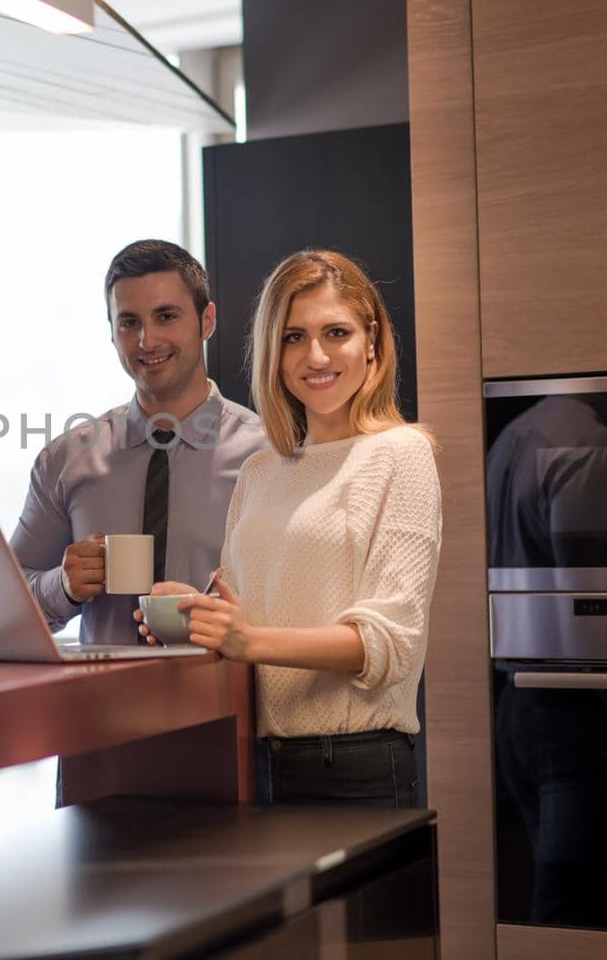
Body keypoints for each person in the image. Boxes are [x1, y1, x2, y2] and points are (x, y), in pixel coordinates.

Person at [140, 249, 441, 807]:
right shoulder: (260, 471)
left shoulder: (401, 454)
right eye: (294, 337)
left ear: (371, 340)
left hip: (355, 766)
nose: (316, 355)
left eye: (336, 332)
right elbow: (247, 616)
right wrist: (195, 612)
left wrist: (248, 640)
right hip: (255, 761)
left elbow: (390, 643)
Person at [10, 240, 266, 646]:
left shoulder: (268, 457)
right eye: (129, 322)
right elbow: (8, 605)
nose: (148, 340)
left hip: (229, 702)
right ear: (111, 333)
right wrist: (63, 586)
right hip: (100, 707)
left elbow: (300, 603)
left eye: (166, 316)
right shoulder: (65, 460)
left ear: (207, 321)